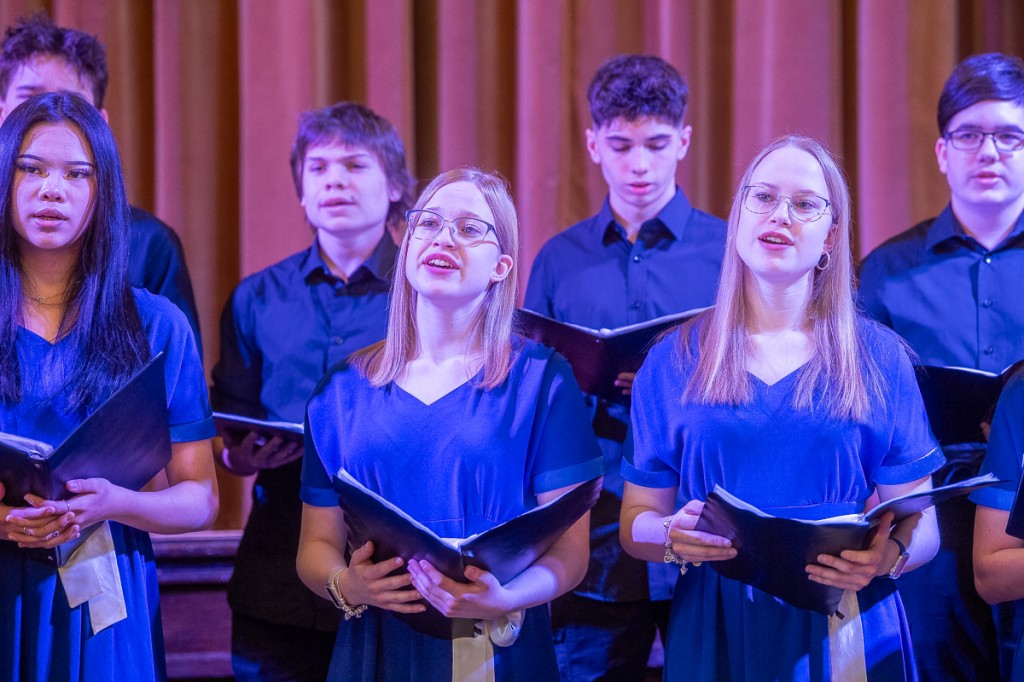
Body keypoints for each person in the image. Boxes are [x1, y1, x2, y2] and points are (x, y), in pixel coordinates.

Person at [621, 135, 943, 680]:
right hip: (718, 619)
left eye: (805, 204)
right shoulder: (673, 359)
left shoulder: (879, 356)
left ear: (830, 236)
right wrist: (671, 535)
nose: (780, 215)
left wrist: (886, 558)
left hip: (843, 616)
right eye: (764, 197)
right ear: (738, 216)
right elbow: (636, 522)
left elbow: (923, 524)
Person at [296, 167, 604, 680]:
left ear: (501, 266)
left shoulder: (541, 380)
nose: (443, 238)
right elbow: (316, 545)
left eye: (468, 228)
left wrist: (505, 597)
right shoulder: (341, 390)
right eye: (429, 223)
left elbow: (570, 553)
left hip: (495, 647)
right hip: (377, 646)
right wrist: (345, 585)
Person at [0, 92, 216, 681]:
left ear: (104, 192)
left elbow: (199, 497)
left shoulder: (156, 324)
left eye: (77, 174)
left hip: (103, 585)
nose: (52, 190)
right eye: (31, 169)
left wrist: (116, 502)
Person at [523, 53, 726, 680]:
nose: (640, 165)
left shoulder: (728, 250)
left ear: (684, 141)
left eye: (657, 145)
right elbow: (529, 391)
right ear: (593, 145)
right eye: (621, 145)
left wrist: (677, 387)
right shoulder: (560, 258)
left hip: (706, 519)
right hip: (596, 525)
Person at [210, 101, 415, 681]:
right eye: (319, 168)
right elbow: (230, 422)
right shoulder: (256, 297)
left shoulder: (423, 293)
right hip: (277, 571)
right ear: (301, 191)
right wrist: (237, 457)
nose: (334, 181)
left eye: (355, 165)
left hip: (395, 565)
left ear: (394, 186)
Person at [859, 52, 1024, 680]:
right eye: (969, 135)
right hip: (932, 511)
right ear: (941, 152)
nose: (990, 152)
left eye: (1009, 136)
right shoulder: (886, 272)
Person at [0, 12, 202, 353]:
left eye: (72, 103)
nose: (51, 114)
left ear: (101, 125)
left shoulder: (150, 250)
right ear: (2, 113)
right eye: (30, 98)